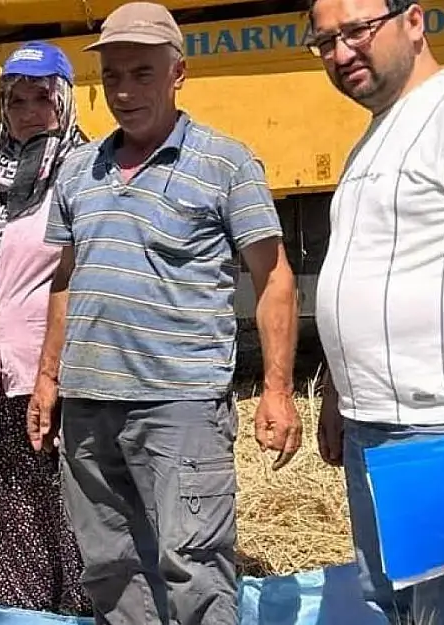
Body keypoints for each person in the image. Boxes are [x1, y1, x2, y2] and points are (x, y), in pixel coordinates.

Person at [26, 3, 303, 624]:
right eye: (114, 76)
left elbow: (274, 275)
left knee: (193, 566)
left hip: (180, 405)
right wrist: (48, 379)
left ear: (180, 73)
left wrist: (279, 389)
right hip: (90, 405)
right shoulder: (79, 169)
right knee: (111, 567)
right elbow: (65, 281)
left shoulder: (225, 163)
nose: (125, 91)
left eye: (143, 74)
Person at [307, 0, 444, 622]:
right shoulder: (374, 135)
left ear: (415, 21)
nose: (341, 54)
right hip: (377, 427)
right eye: (324, 42)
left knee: (439, 609)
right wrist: (340, 395)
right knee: (396, 603)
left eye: (357, 32)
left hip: (435, 432)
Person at [0, 40, 92, 616]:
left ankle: (80, 615)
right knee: (11, 515)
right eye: (18, 99)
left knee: (71, 515)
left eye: (42, 98)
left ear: (66, 101)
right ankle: (24, 615)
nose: (30, 111)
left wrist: (62, 372)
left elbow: (88, 275)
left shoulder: (82, 175)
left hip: (61, 376)